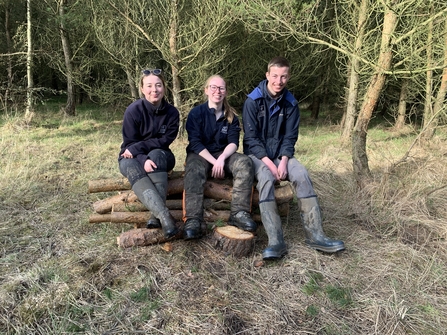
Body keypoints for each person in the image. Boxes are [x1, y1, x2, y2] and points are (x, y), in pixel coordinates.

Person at [242, 57, 345, 260]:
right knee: (265, 178)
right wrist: (271, 165)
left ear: (288, 77)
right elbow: (251, 140)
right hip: (257, 156)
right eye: (275, 76)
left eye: (283, 77)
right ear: (267, 75)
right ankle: (276, 240)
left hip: (282, 155)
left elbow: (290, 137)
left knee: (301, 173)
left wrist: (285, 160)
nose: (278, 81)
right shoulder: (252, 101)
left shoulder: (291, 103)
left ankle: (316, 235)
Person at [182, 74, 257, 240]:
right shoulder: (196, 113)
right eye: (213, 87)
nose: (217, 91)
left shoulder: (231, 116)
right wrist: (214, 162)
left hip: (224, 154)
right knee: (193, 169)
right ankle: (193, 219)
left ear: (226, 91)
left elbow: (233, 143)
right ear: (206, 90)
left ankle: (239, 213)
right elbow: (195, 143)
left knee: (245, 163)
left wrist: (222, 158)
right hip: (200, 154)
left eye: (221, 88)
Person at [118, 69, 179, 238]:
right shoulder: (133, 110)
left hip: (161, 155)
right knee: (131, 166)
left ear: (164, 88)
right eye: (149, 86)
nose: (154, 90)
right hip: (131, 156)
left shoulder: (172, 113)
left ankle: (155, 215)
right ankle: (164, 217)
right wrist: (143, 158)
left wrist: (142, 152)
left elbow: (164, 140)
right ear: (142, 89)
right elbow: (129, 144)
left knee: (158, 155)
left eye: (158, 85)